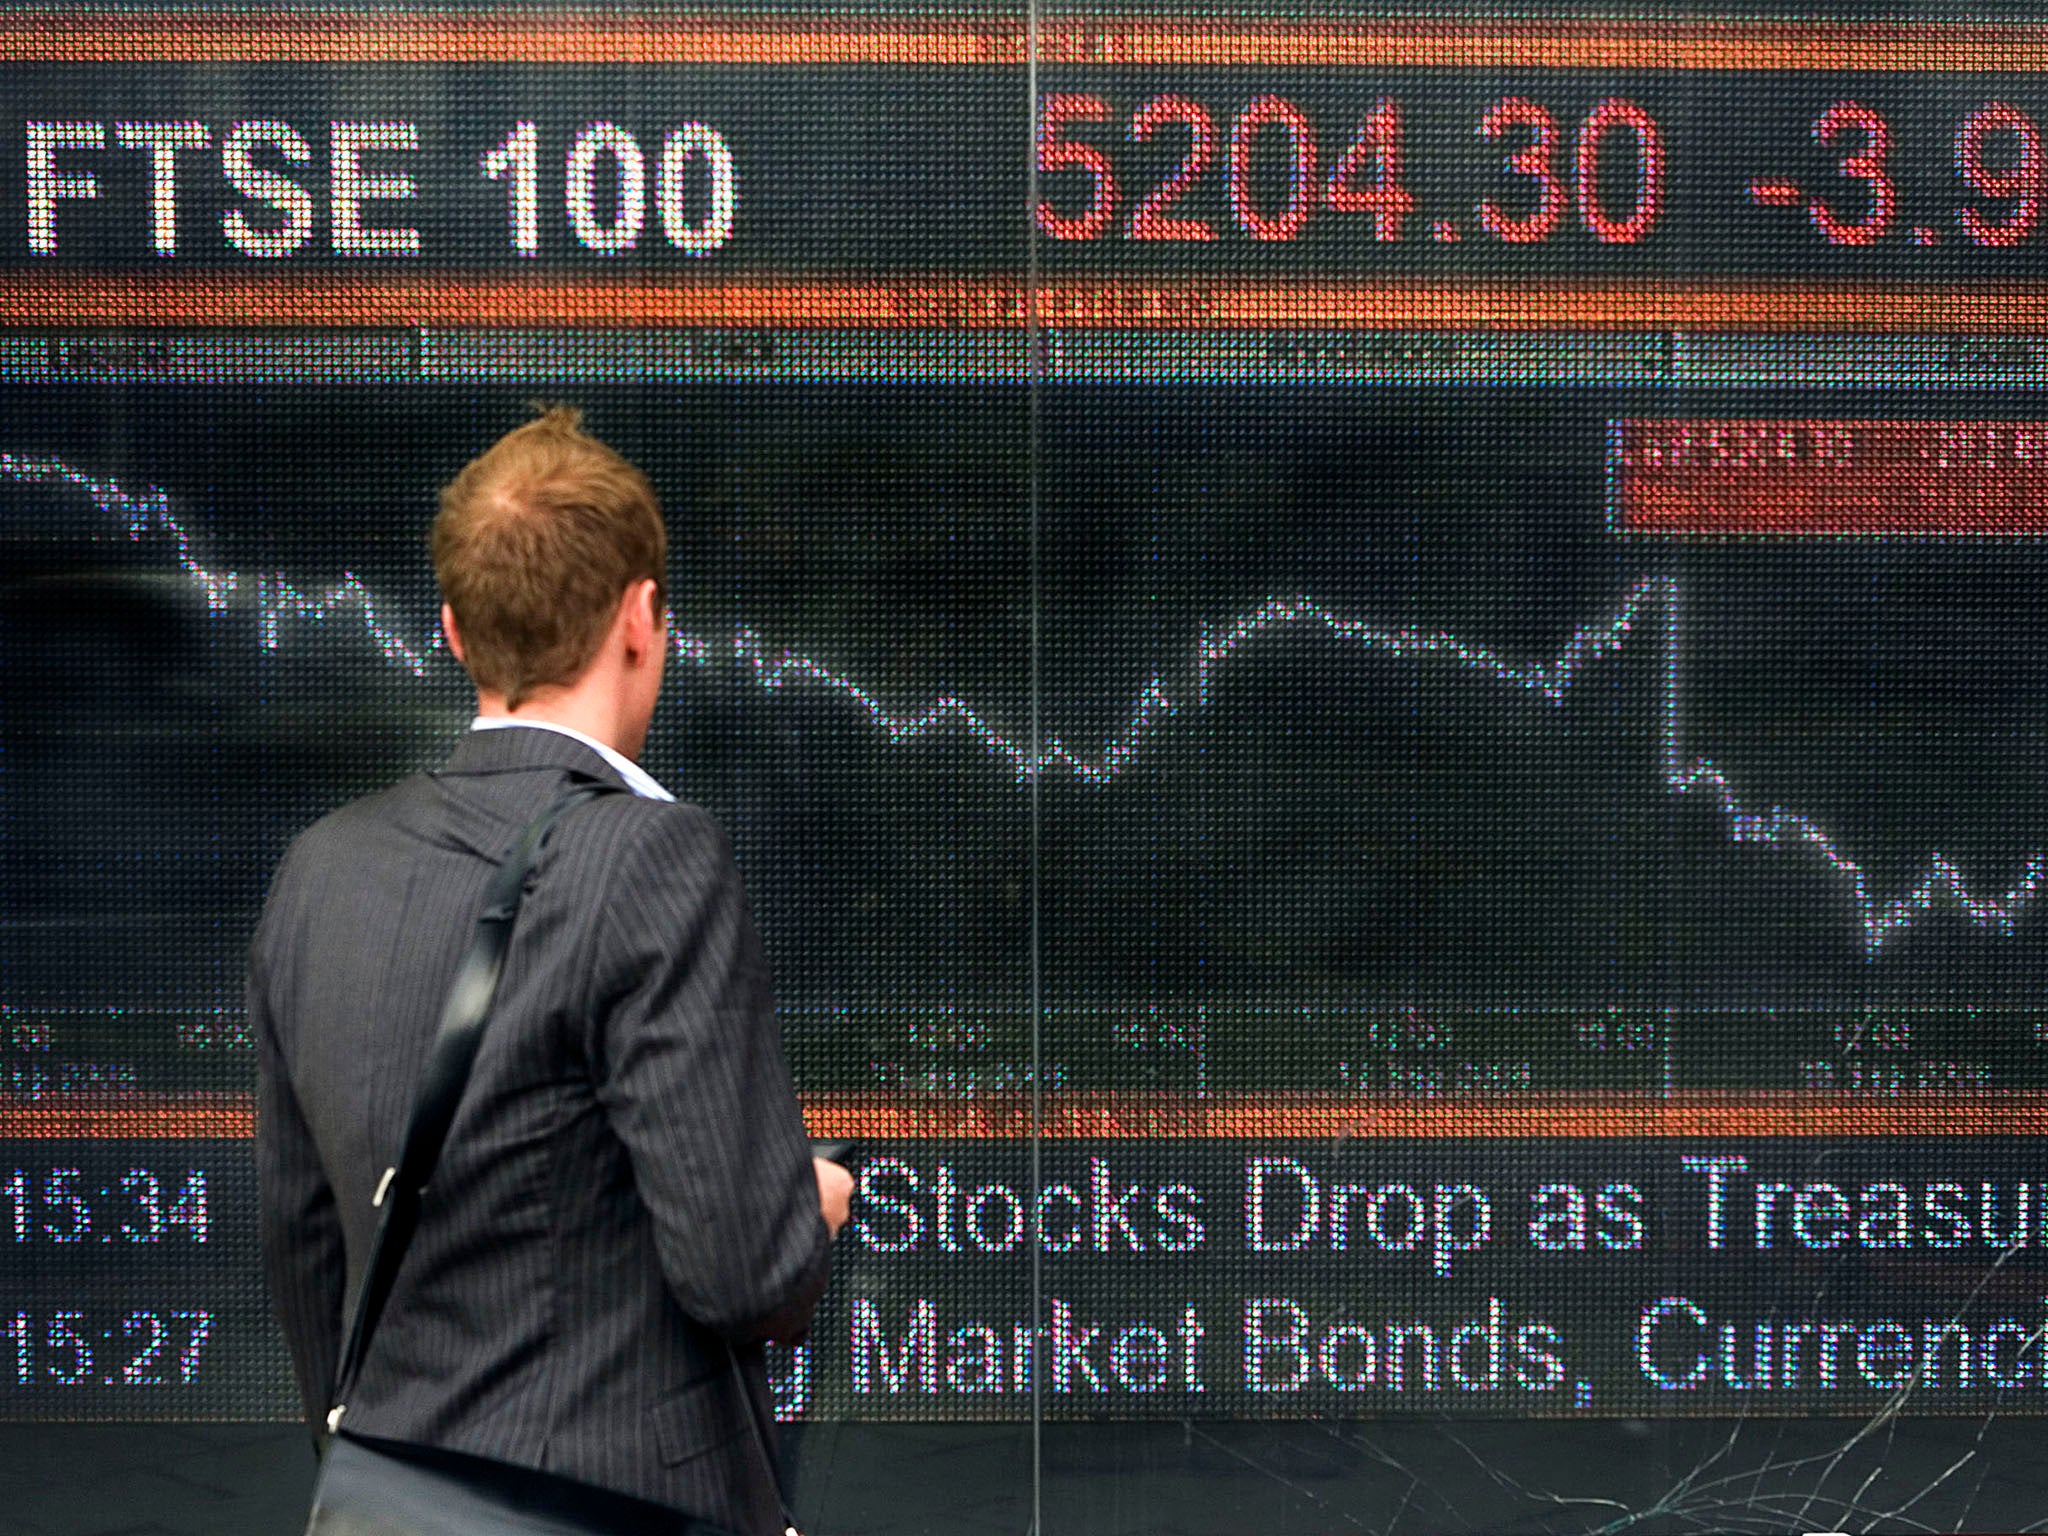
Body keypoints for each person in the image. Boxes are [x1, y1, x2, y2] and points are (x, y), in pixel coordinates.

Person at [249, 405, 852, 1535]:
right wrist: (807, 1207)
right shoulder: (654, 856)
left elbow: (302, 1246)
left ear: (454, 630)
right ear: (638, 618)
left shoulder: (317, 870)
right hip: (617, 1497)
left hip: (385, 1492)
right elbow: (744, 1278)